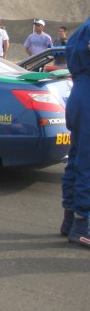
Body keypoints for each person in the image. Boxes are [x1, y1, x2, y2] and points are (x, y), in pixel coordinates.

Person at [59, 15, 90, 248]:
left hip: (80, 92)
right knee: (86, 160)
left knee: (78, 155)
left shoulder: (83, 28)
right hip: (86, 93)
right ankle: (83, 224)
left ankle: (70, 220)